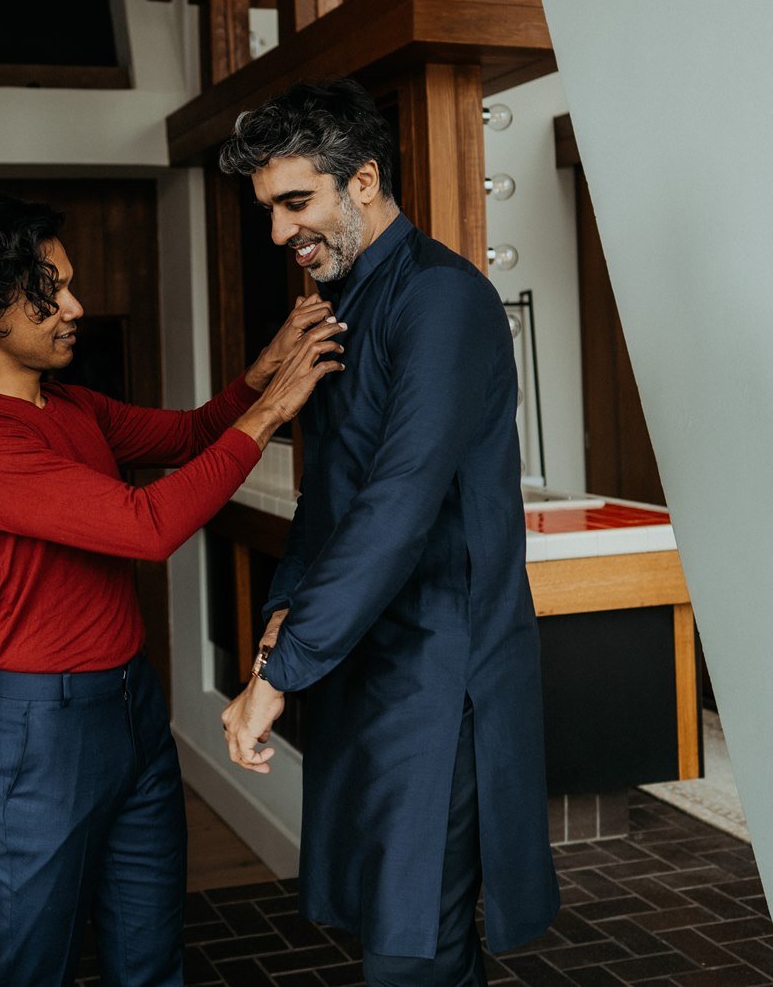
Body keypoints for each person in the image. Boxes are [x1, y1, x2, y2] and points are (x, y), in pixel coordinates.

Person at [0, 193, 344, 987]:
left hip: (131, 708)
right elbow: (147, 525)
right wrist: (280, 405)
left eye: (68, 283)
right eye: (48, 291)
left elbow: (187, 435)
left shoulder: (68, 404)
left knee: (150, 957)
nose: (74, 306)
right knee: (38, 969)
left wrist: (265, 368)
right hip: (40, 730)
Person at [214, 79, 559, 986]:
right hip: (369, 663)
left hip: (442, 671)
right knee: (409, 935)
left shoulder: (442, 299)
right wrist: (281, 629)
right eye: (271, 210)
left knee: (410, 952)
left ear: (362, 179)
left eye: (298, 201)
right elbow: (330, 498)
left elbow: (400, 499)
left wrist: (279, 675)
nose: (283, 231)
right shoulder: (340, 303)